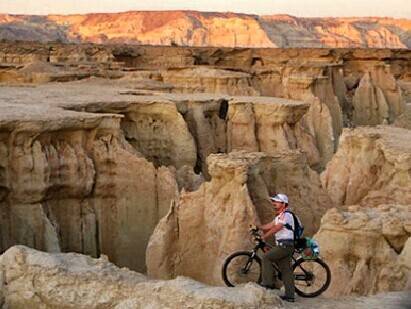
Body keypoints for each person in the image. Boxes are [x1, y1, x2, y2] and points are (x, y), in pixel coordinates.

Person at [258, 193, 295, 303]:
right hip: (284, 245)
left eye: (277, 202)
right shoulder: (280, 216)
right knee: (286, 270)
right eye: (274, 202)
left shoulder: (286, 215)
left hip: (285, 245)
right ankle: (290, 296)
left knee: (266, 257)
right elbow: (270, 225)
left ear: (284, 204)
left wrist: (264, 236)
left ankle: (268, 283)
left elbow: (277, 227)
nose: (274, 204)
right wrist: (258, 227)